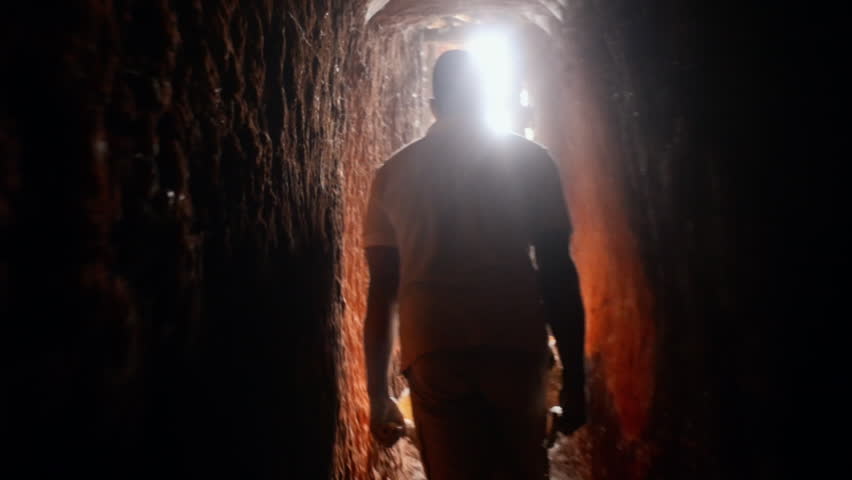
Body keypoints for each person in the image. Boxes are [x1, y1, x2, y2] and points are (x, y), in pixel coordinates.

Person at [363, 49, 586, 479]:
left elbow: (383, 289)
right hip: (513, 342)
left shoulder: (393, 174)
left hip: (435, 345)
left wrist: (377, 395)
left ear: (433, 106)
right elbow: (558, 273)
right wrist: (575, 379)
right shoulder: (532, 162)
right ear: (487, 99)